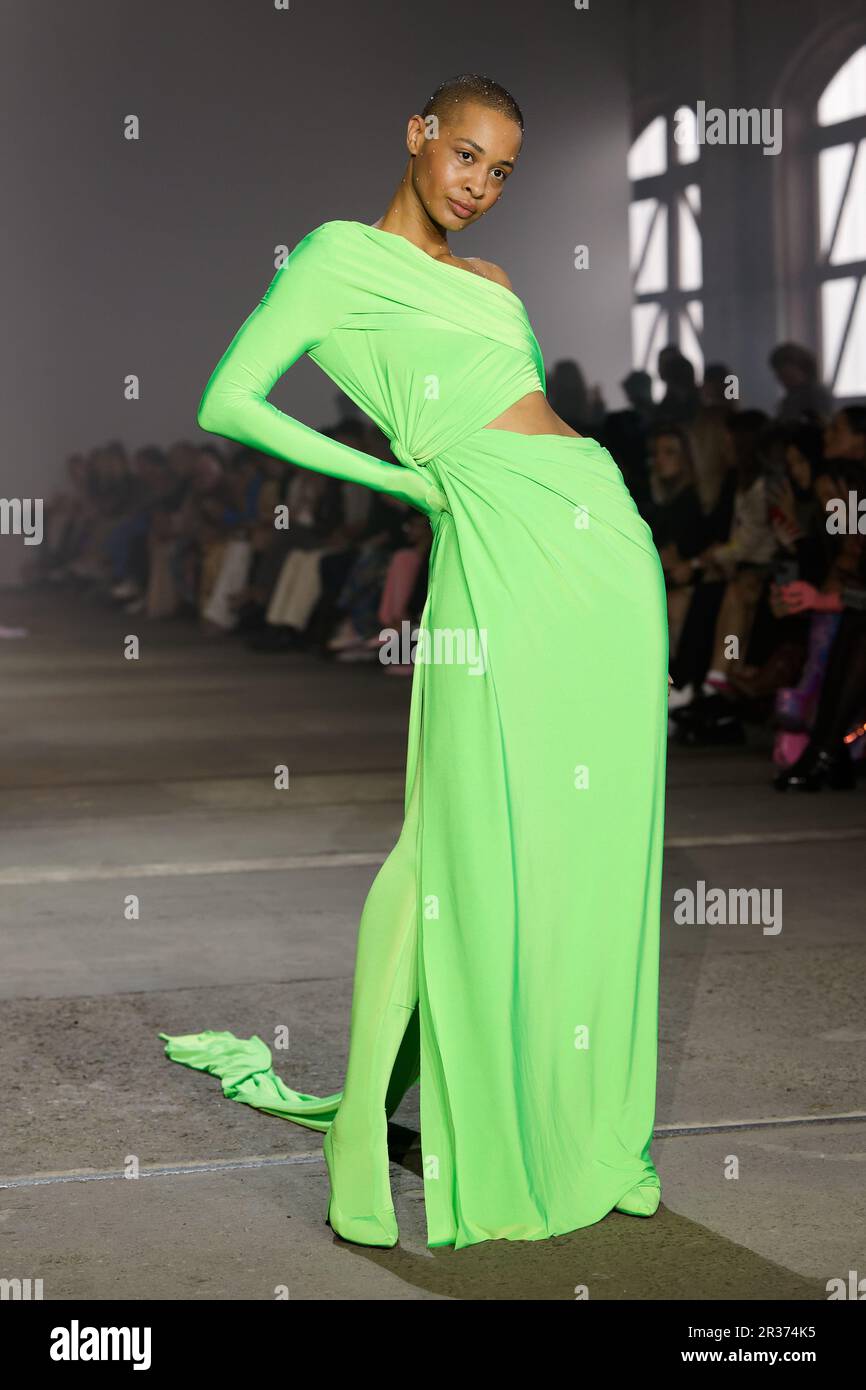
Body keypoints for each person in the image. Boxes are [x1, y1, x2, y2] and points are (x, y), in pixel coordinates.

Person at [159, 73, 669, 1252]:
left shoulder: (491, 282)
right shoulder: (338, 255)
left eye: (500, 172)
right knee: (444, 839)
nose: (478, 185)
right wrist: (403, 481)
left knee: (590, 836)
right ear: (418, 135)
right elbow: (225, 399)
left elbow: (529, 403)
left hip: (597, 538)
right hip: (489, 542)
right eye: (465, 156)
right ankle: (358, 1141)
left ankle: (583, 1123)